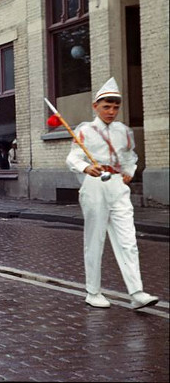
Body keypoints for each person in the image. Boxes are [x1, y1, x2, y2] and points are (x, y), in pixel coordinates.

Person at [65, 77, 158, 310]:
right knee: (95, 239)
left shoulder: (124, 131)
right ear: (95, 106)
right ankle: (93, 291)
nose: (111, 111)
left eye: (116, 107)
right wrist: (86, 167)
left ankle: (136, 293)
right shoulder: (85, 130)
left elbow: (130, 157)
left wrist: (129, 170)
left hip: (117, 185)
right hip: (95, 184)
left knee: (128, 238)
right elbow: (73, 157)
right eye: (106, 106)